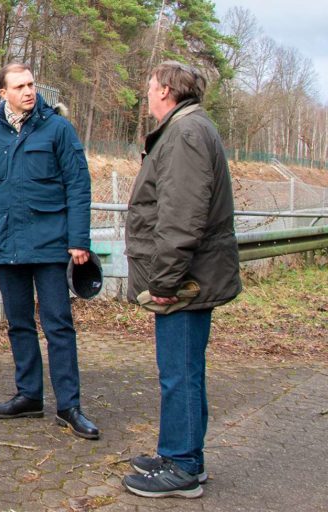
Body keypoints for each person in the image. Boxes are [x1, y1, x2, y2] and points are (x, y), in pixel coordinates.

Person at [0, 62, 99, 440]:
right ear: (3, 93)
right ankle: (29, 396)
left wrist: (78, 239)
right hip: (6, 244)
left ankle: (69, 406)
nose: (28, 91)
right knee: (19, 324)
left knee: (58, 326)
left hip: (50, 243)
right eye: (19, 86)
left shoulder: (57, 128)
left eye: (31, 84)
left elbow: (78, 185)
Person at [121, 61, 242, 498]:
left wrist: (164, 281)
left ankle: (183, 465)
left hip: (184, 281)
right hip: (189, 275)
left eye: (151, 87)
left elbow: (181, 217)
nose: (148, 94)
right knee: (182, 369)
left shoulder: (186, 133)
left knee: (180, 372)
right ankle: (180, 451)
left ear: (168, 91)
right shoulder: (189, 128)